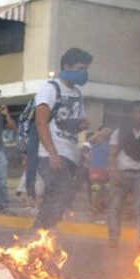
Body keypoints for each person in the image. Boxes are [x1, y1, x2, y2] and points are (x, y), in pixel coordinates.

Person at [33, 47, 93, 230]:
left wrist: (83, 126)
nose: (84, 73)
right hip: (52, 152)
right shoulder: (50, 88)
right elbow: (41, 123)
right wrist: (52, 154)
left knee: (60, 195)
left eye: (86, 69)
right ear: (66, 66)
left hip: (70, 153)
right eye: (80, 68)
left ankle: (40, 238)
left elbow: (78, 122)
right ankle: (40, 235)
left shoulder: (77, 93)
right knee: (62, 191)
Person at [108, 101, 140, 247]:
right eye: (138, 112)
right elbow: (112, 155)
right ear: (131, 114)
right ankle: (113, 237)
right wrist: (115, 173)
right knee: (115, 206)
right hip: (122, 174)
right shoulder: (119, 132)